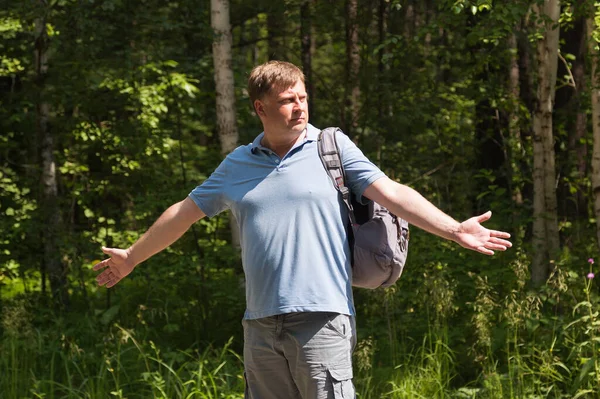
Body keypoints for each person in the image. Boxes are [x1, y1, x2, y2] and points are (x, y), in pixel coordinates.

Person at [94, 60, 512, 398]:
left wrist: (454, 229)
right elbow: (183, 214)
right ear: (260, 108)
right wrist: (132, 257)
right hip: (258, 323)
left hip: (322, 317)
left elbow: (393, 193)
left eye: (303, 97)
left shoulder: (332, 146)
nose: (299, 107)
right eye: (287, 100)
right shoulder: (238, 164)